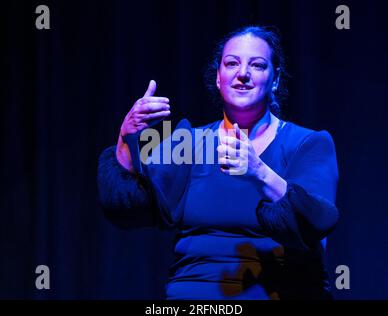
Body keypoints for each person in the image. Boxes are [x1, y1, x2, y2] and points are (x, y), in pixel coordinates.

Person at [97, 26, 339, 300]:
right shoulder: (187, 141)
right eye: (232, 63)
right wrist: (126, 137)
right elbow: (126, 208)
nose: (243, 73)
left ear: (274, 79)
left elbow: (315, 222)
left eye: (257, 65)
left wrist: (258, 172)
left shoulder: (308, 143)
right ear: (218, 78)